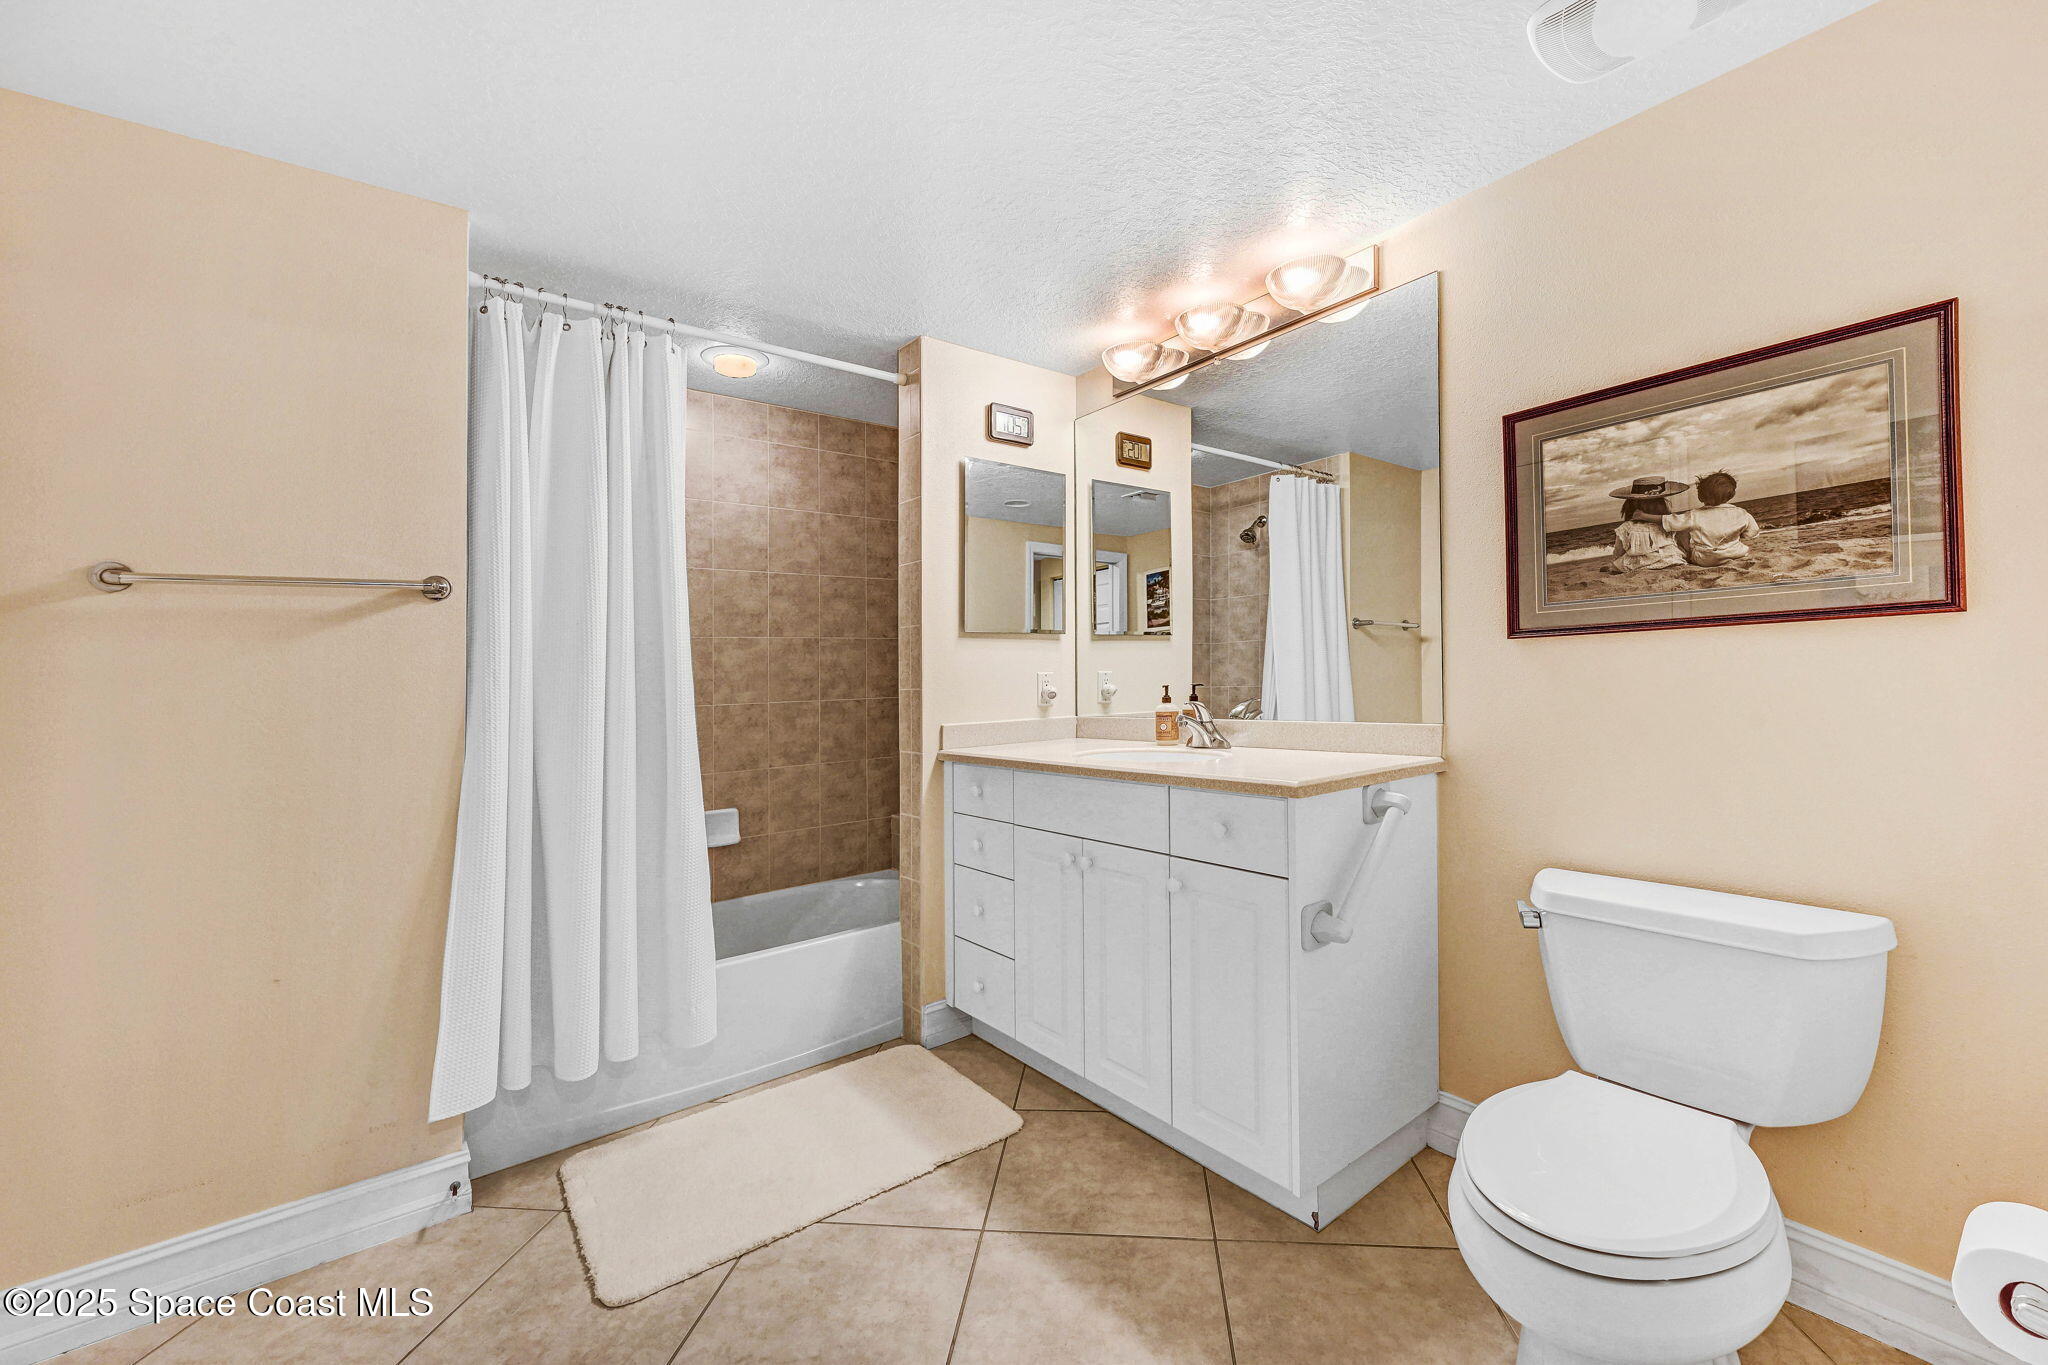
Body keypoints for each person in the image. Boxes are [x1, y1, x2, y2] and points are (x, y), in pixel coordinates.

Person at [1662, 469, 1761, 566]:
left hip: (1705, 559)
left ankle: (1687, 556)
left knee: (1682, 529)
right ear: (1732, 494)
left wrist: (1646, 516)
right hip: (1736, 553)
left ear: (1700, 496)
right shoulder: (1741, 513)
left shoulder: (1694, 515)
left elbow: (1666, 520)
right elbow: (1753, 533)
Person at [1603, 476, 1691, 572]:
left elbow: (1618, 552)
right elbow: (1681, 542)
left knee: (1618, 564)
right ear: (1662, 504)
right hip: (1670, 559)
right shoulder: (1667, 523)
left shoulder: (1626, 527)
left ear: (1630, 505)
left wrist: (1615, 563)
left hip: (1640, 563)